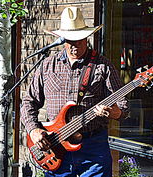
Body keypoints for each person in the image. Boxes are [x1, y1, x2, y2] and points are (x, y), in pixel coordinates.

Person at [21, 6, 129, 177]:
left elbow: (123, 108)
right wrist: (33, 130)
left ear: (87, 37)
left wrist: (113, 112)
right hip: (55, 147)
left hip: (93, 146)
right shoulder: (48, 65)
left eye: (79, 39)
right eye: (70, 40)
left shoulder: (103, 65)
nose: (75, 45)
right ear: (62, 39)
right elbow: (29, 102)